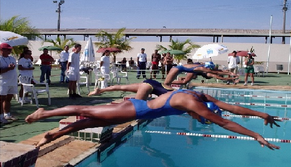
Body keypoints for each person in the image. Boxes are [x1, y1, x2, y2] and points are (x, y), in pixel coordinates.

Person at [26, 89, 281, 150]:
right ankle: (44, 114)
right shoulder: (194, 103)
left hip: (136, 106)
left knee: (94, 122)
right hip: (136, 111)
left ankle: (55, 134)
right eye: (203, 118)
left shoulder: (202, 97)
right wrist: (255, 135)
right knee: (89, 112)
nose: (203, 118)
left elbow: (234, 109)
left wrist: (262, 114)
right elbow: (225, 122)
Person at [163, 61, 238, 88]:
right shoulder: (203, 69)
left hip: (178, 69)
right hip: (176, 69)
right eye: (210, 69)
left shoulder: (202, 66)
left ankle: (170, 83)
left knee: (184, 82)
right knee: (166, 83)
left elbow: (217, 71)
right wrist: (230, 77)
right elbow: (216, 73)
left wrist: (229, 73)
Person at [88, 79, 174, 100]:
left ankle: (101, 90)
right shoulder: (176, 95)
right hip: (149, 87)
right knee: (138, 108)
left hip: (151, 82)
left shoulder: (174, 91)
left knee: (122, 87)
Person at [0, 43, 18, 124]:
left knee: (8, 99)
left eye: (10, 49)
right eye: (8, 49)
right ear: (2, 50)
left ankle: (7, 114)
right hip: (3, 82)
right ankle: (1, 117)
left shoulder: (12, 58)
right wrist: (8, 68)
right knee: (1, 99)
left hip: (12, 81)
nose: (9, 51)